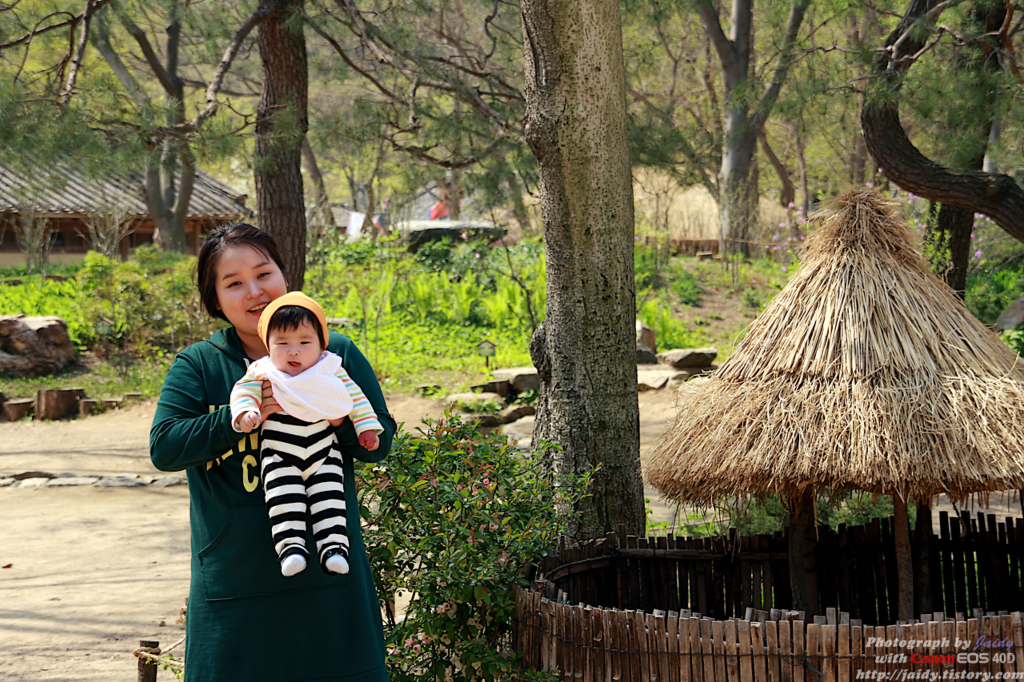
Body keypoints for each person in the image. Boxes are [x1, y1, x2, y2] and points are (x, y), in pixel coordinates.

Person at [150, 223, 395, 682]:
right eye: (234, 283)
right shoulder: (199, 364)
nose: (255, 292)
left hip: (330, 572)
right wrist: (233, 417)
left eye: (264, 273)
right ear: (214, 299)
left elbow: (378, 442)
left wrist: (340, 417)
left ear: (285, 274)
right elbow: (164, 446)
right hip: (234, 579)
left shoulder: (333, 353)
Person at [229, 291, 384, 578]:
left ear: (321, 344)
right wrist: (245, 413)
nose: (293, 351)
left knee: (330, 497)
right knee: (282, 499)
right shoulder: (263, 371)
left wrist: (366, 428)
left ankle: (334, 548)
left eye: (304, 342)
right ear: (268, 346)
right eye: (282, 343)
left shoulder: (330, 369)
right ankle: (291, 549)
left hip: (323, 452)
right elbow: (242, 392)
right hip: (279, 453)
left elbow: (356, 400)